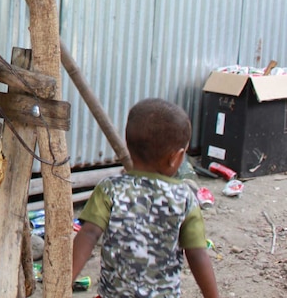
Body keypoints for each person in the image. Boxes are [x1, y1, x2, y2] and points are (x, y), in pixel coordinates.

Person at [72, 98, 219, 298]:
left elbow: (88, 235)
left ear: (128, 145)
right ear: (176, 157)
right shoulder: (184, 197)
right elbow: (196, 253)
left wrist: (64, 282)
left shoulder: (110, 188)